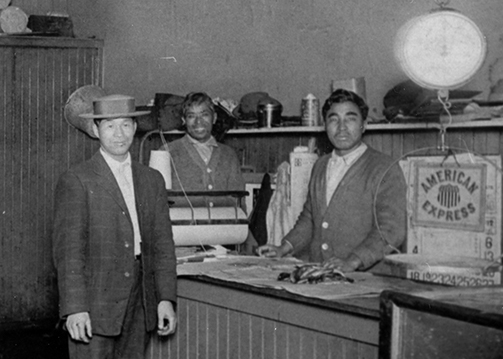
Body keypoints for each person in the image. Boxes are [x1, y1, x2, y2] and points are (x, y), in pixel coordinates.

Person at [53, 94, 178, 359]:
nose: (119, 133)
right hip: (95, 300)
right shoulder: (78, 179)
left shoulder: (151, 180)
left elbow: (162, 245)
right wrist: (74, 307)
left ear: (135, 127)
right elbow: (68, 251)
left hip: (139, 298)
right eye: (110, 125)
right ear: (95, 130)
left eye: (126, 124)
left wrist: (165, 298)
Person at [256, 88, 406, 271]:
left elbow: (391, 230)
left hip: (366, 278)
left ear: (364, 125)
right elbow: (310, 218)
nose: (342, 127)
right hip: (321, 274)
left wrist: (353, 261)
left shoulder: (385, 168)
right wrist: (283, 248)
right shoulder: (320, 165)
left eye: (350, 119)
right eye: (334, 119)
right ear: (325, 125)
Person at [159, 92, 245, 206]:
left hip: (223, 218)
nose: (198, 122)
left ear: (214, 118)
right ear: (184, 120)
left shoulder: (229, 155)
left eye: (204, 115)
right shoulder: (167, 152)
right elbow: (158, 201)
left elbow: (239, 204)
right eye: (191, 116)